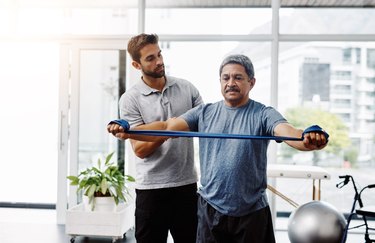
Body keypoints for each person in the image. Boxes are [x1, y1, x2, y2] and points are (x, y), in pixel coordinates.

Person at [108, 54, 329, 243]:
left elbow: (286, 131)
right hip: (210, 211)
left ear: (251, 82)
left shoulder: (263, 113)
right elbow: (166, 127)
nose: (231, 83)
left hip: (251, 213)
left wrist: (307, 138)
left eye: (238, 77)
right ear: (220, 82)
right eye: (226, 78)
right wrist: (129, 130)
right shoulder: (204, 113)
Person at [120, 33, 203, 243]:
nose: (159, 62)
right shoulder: (130, 99)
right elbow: (140, 149)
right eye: (150, 58)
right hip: (151, 190)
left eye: (159, 55)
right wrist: (168, 129)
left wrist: (158, 130)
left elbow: (206, 124)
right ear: (136, 65)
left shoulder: (187, 88)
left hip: (186, 186)